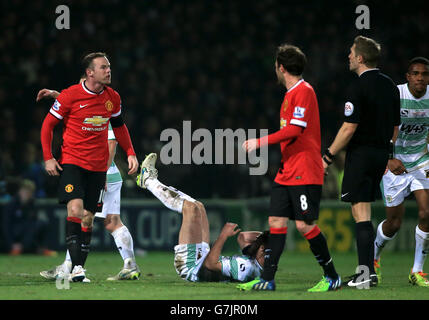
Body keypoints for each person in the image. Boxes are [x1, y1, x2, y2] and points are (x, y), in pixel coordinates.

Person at [238, 44, 341, 292]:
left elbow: (295, 130)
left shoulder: (304, 91)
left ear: (281, 67)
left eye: (276, 66)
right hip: (287, 170)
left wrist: (260, 142)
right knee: (276, 221)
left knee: (304, 225)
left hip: (304, 169)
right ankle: (268, 279)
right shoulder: (290, 95)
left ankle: (332, 276)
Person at [40, 52, 139, 282]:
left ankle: (77, 269)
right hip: (73, 162)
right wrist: (48, 157)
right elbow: (48, 125)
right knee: (74, 211)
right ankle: (76, 268)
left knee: (87, 218)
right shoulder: (70, 95)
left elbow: (119, 127)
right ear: (90, 72)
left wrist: (132, 152)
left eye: (109, 67)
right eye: (103, 67)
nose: (108, 70)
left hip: (98, 168)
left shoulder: (112, 97)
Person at [322, 36, 400, 288]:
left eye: (351, 52)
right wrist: (388, 151)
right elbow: (396, 125)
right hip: (380, 155)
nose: (348, 56)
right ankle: (367, 272)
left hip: (362, 155)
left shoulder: (357, 86)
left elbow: (348, 127)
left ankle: (366, 274)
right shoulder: (390, 85)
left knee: (360, 213)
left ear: (360, 58)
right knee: (363, 211)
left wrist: (329, 155)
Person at [136, 153, 268, 282]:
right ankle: (150, 180)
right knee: (199, 207)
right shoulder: (256, 262)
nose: (260, 245)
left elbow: (211, 265)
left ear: (263, 252)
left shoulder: (247, 268)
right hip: (202, 257)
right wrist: (268, 237)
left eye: (263, 247)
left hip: (191, 267)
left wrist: (223, 236)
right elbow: (243, 237)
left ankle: (148, 180)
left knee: (191, 209)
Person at [374, 57, 429, 287]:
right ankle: (374, 256)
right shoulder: (395, 95)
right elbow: (378, 128)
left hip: (420, 160)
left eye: (424, 74)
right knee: (394, 223)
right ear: (408, 77)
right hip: (394, 163)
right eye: (415, 73)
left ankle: (417, 271)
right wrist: (389, 159)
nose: (420, 78)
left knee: (427, 213)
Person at [2, 179, 56, 256]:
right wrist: (11, 244)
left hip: (27, 235)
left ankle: (41, 248)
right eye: (26, 192)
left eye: (30, 192)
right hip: (16, 234)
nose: (28, 194)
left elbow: (33, 221)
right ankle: (16, 249)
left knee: (42, 223)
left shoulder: (32, 204)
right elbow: (6, 226)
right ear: (20, 191)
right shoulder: (11, 205)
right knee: (28, 227)